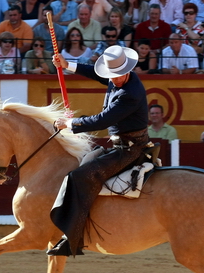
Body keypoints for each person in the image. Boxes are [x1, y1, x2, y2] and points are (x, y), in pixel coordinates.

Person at [48, 45, 149, 257]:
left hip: (130, 149)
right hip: (120, 144)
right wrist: (68, 65)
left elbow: (102, 120)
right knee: (82, 165)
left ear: (128, 70)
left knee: (81, 176)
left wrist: (70, 123)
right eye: (111, 76)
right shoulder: (119, 79)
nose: (114, 80)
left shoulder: (130, 93)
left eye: (118, 76)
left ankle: (74, 238)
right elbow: (96, 73)